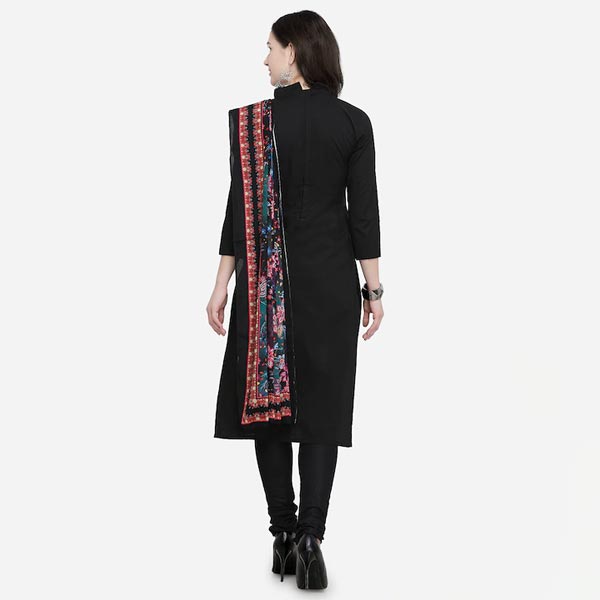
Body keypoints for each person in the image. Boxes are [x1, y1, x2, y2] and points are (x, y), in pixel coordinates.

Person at [206, 10, 384, 590]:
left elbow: (237, 211)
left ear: (296, 53)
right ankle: (311, 538)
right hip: (331, 287)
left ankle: (282, 535)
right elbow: (363, 215)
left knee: (270, 407)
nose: (265, 59)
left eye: (270, 48)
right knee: (322, 412)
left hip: (267, 290)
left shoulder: (255, 124)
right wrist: (373, 289)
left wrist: (222, 283)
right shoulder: (354, 123)